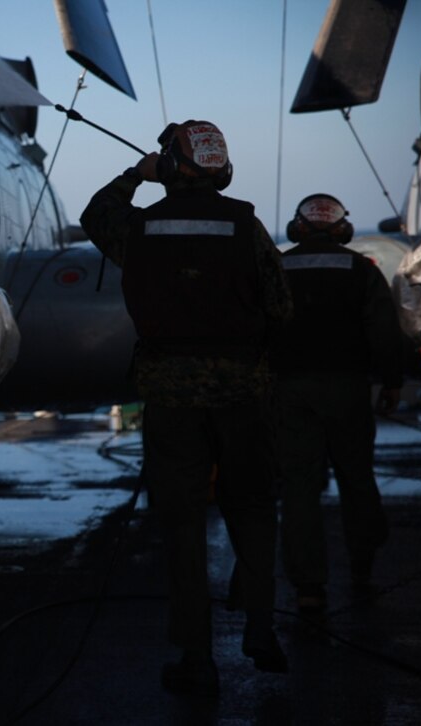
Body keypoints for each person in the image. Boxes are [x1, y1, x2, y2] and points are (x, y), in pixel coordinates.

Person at [80, 120, 293, 697]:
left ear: (170, 169)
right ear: (222, 169)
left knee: (181, 527)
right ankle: (261, 630)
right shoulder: (246, 226)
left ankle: (197, 659)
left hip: (171, 398)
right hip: (243, 395)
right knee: (251, 508)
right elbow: (280, 304)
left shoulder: (140, 228)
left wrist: (135, 176)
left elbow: (95, 215)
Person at [273, 193, 404, 613]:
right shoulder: (362, 271)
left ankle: (308, 586)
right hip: (347, 389)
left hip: (289, 391)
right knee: (357, 478)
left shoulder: (276, 268)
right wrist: (392, 383)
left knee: (298, 486)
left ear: (299, 228)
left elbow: (257, 326)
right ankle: (362, 567)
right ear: (344, 229)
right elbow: (383, 332)